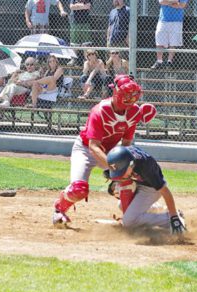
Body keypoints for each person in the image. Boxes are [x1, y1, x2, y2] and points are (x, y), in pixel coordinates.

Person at [51, 75, 157, 225]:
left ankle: (130, 219)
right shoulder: (100, 110)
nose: (130, 99)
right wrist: (112, 167)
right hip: (85, 149)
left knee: (128, 180)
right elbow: (93, 146)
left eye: (132, 96)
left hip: (112, 151)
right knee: (79, 189)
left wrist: (124, 169)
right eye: (126, 95)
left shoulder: (133, 112)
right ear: (116, 93)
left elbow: (126, 143)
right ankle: (59, 209)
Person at [105, 145, 186, 234]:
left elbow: (165, 191)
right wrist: (116, 179)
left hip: (151, 188)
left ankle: (168, 219)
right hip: (139, 183)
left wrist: (173, 216)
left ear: (131, 164)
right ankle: (157, 208)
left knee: (129, 221)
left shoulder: (146, 167)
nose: (121, 175)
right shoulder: (125, 157)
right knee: (121, 205)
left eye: (121, 172)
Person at [151, 0, 188, 69]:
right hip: (163, 20)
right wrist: (174, 2)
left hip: (177, 21)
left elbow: (182, 5)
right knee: (159, 41)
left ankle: (169, 62)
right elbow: (161, 1)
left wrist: (168, 2)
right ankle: (159, 61)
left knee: (173, 42)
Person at [67, 0, 92, 66]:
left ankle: (86, 59)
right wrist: (83, 6)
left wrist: (77, 6)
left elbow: (88, 6)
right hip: (75, 22)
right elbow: (71, 7)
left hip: (85, 22)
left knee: (86, 43)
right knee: (74, 43)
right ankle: (73, 59)